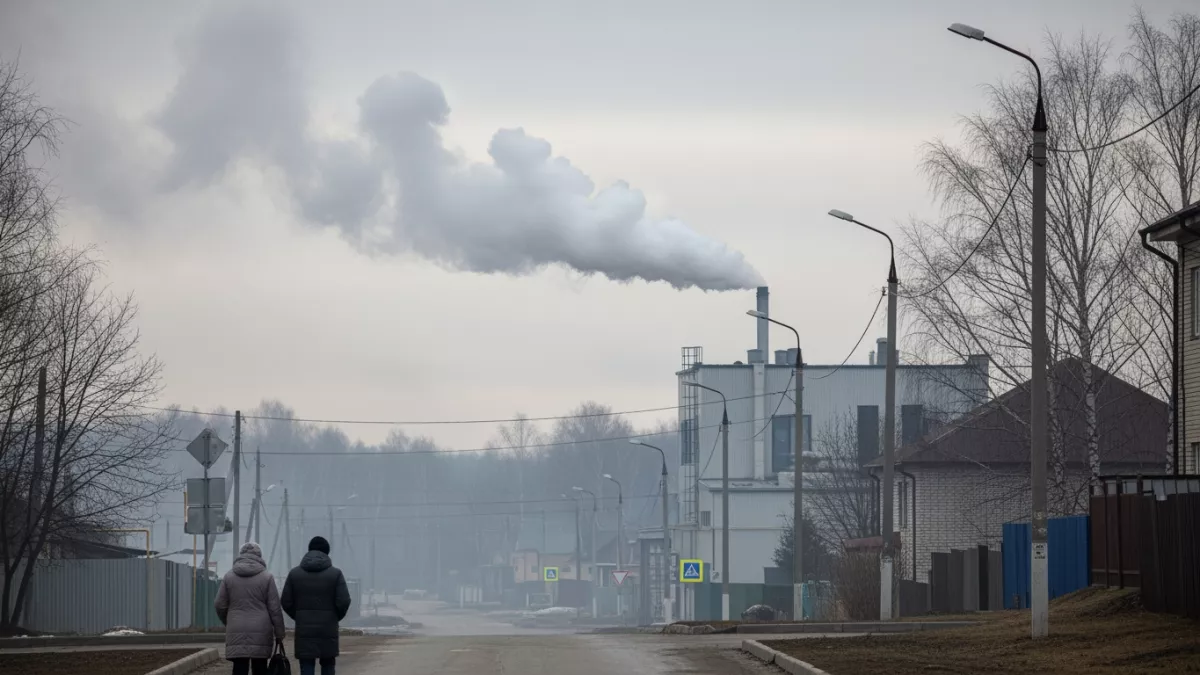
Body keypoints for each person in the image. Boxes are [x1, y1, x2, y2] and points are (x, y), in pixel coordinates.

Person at [281, 536, 351, 675]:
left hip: (304, 628)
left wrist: (299, 616)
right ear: (327, 552)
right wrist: (334, 617)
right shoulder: (335, 574)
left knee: (306, 663)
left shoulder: (295, 574)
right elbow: (344, 601)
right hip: (328, 628)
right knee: (328, 664)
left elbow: (286, 601)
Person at [215, 542, 285, 675]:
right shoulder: (267, 577)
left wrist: (228, 620)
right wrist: (279, 632)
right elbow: (275, 608)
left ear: (241, 555)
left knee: (239, 668)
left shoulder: (229, 577)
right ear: (259, 556)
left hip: (236, 626)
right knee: (260, 668)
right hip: (261, 628)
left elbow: (219, 604)